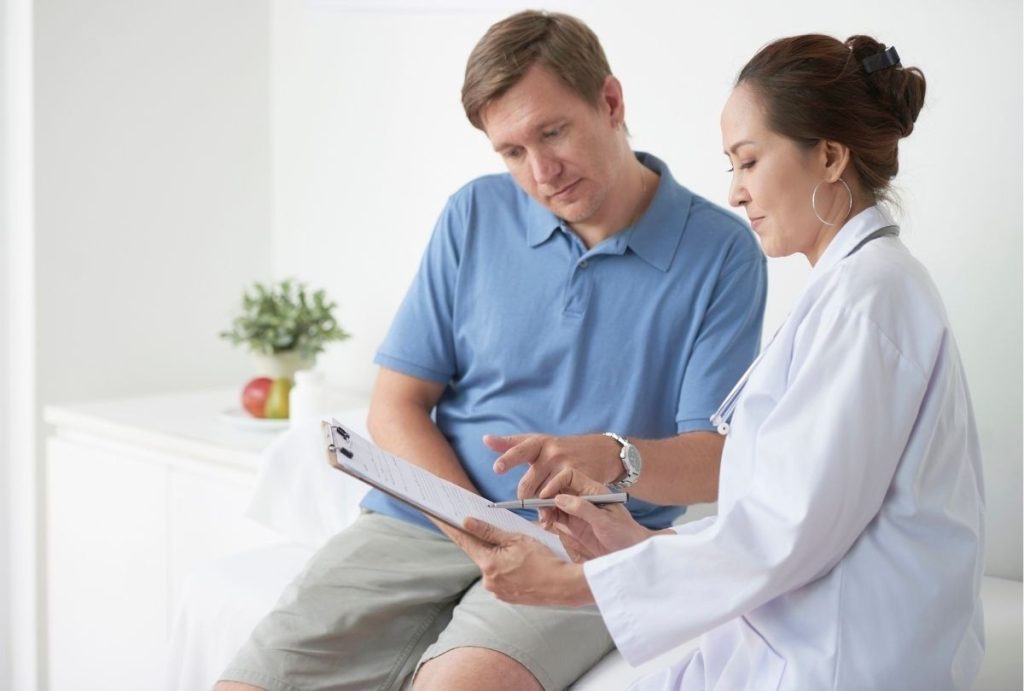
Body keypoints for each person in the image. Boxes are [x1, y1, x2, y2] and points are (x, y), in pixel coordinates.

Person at [216, 10, 766, 691]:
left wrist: (614, 456)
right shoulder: (474, 214)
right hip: (425, 523)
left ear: (611, 101)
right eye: (511, 152)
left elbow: (717, 464)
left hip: (582, 545)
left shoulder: (721, 252)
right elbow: (397, 403)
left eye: (553, 131)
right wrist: (470, 525)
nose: (540, 171)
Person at [455, 33, 986, 691]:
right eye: (731, 166)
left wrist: (569, 583)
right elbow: (784, 517)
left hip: (838, 663)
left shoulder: (870, 299)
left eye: (749, 161)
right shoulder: (848, 292)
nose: (735, 192)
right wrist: (628, 543)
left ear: (828, 156)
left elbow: (782, 538)